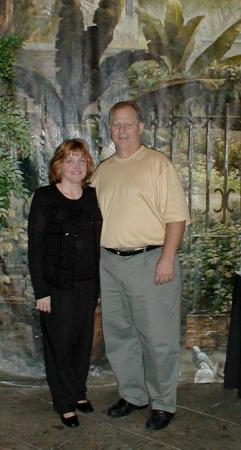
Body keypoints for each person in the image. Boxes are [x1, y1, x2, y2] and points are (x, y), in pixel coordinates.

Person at [91, 101, 190, 431]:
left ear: (140, 126)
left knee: (158, 338)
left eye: (128, 124)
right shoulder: (103, 171)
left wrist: (167, 257)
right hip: (110, 263)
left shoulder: (157, 165)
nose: (122, 130)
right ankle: (133, 395)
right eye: (116, 125)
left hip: (150, 261)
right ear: (109, 129)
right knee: (120, 336)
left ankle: (163, 403)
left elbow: (176, 217)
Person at [28, 138, 102, 428]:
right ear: (59, 165)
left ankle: (78, 392)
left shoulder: (93, 196)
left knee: (83, 343)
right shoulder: (45, 197)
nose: (76, 166)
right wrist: (41, 291)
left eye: (81, 160)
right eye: (70, 160)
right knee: (59, 343)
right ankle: (63, 401)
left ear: (88, 166)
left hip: (88, 284)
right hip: (56, 287)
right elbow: (35, 249)